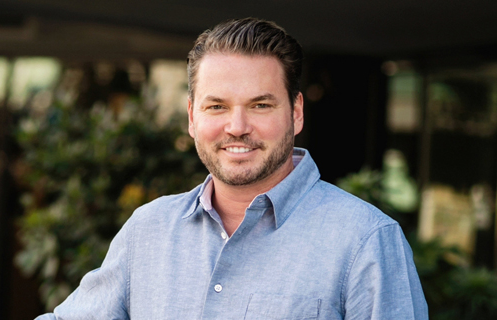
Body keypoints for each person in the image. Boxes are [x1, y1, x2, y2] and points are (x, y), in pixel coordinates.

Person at [37, 18, 428, 319]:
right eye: (217, 106)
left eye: (260, 105)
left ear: (296, 112)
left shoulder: (365, 241)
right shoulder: (149, 231)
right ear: (192, 116)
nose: (237, 126)